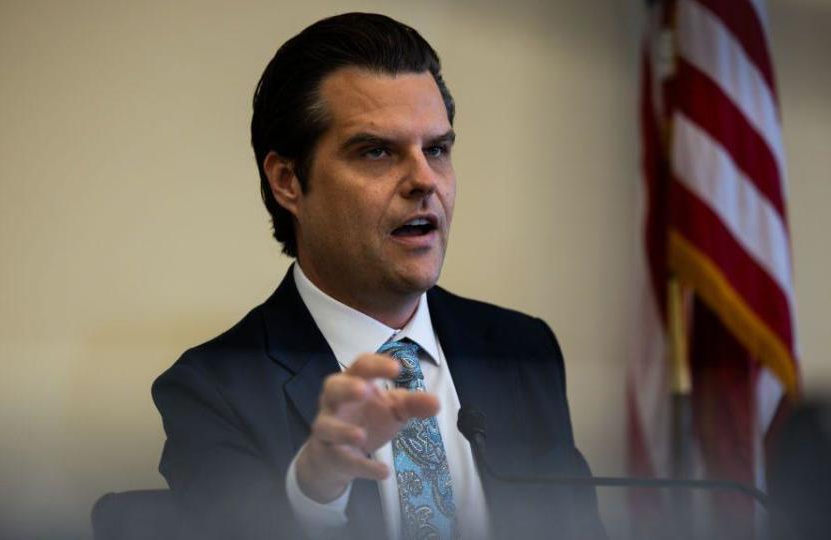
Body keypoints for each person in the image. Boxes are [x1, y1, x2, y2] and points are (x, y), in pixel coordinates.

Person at [153, 12, 605, 540]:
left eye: (436, 149)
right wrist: (313, 493)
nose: (424, 180)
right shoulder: (214, 388)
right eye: (375, 151)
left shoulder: (522, 351)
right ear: (287, 182)